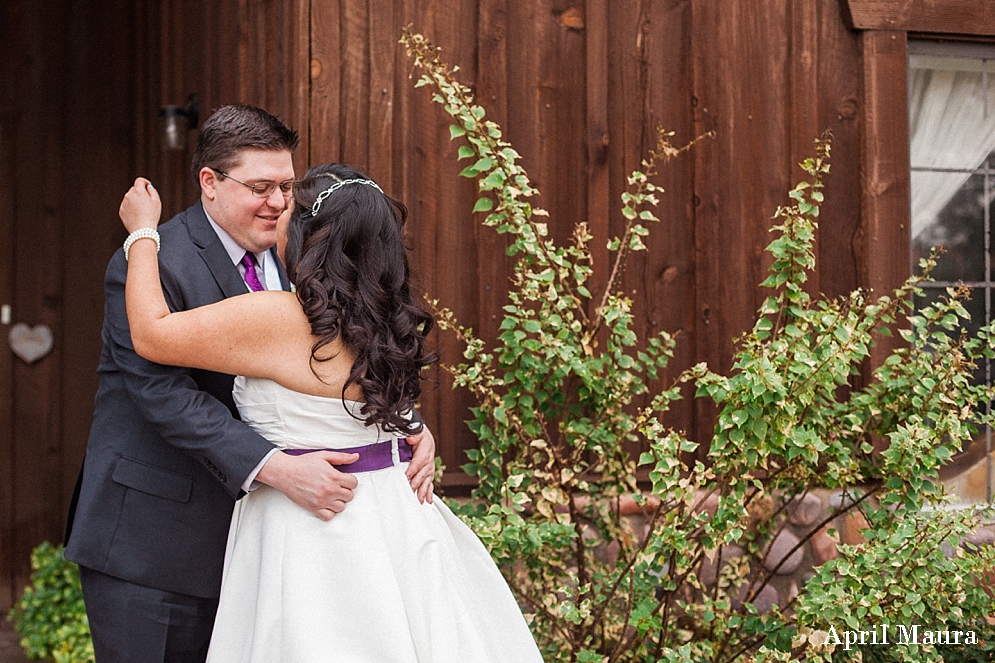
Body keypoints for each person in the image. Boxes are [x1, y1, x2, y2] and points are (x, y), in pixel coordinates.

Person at [117, 162, 544, 662]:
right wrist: (413, 429)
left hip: (313, 531)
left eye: (289, 210)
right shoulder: (389, 317)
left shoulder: (280, 318)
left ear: (312, 236)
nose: (278, 214)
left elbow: (150, 333)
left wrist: (142, 232)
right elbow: (366, 407)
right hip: (400, 516)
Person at [64, 105, 437, 663]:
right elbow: (161, 392)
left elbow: (345, 362)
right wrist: (276, 468)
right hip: (159, 545)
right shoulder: (152, 264)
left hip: (274, 551)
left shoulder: (304, 263)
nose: (279, 202)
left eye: (287, 185)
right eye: (261, 187)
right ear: (209, 183)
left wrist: (406, 426)